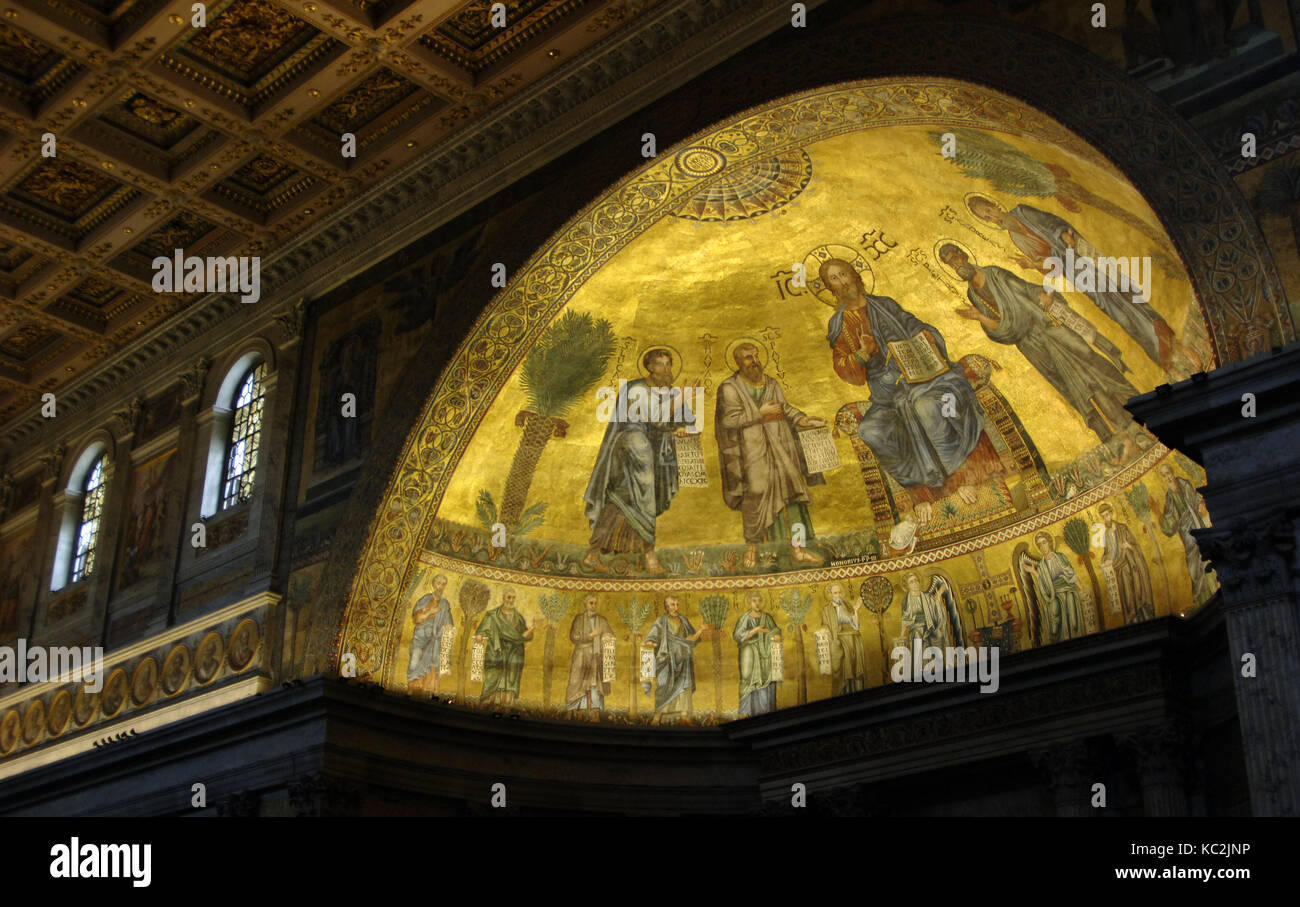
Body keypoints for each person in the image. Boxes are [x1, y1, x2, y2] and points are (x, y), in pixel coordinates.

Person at [821, 258, 1003, 524]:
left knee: (926, 408)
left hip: (924, 379)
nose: (842, 282)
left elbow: (917, 327)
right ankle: (921, 493)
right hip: (887, 396)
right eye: (834, 279)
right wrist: (863, 353)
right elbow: (845, 369)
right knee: (870, 430)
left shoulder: (885, 306)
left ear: (856, 276)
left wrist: (925, 338)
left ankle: (960, 479)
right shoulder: (839, 325)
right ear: (830, 288)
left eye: (844, 274)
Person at [942, 244, 1142, 458]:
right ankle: (1111, 436)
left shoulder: (994, 273)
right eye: (951, 264)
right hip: (1029, 344)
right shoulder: (973, 295)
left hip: (1045, 326)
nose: (957, 265)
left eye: (956, 258)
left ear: (964, 254)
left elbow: (1023, 287)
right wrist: (979, 317)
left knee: (1087, 360)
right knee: (1069, 384)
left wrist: (1041, 294)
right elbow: (998, 327)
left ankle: (1132, 410)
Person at [966, 195, 1194, 373]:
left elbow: (1054, 223)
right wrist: (1034, 265)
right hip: (1075, 272)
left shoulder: (1022, 211)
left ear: (995, 205)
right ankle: (1160, 353)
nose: (992, 218)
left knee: (1125, 293)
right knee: (1116, 311)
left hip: (1082, 256)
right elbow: (1051, 266)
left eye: (988, 211)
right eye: (986, 219)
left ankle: (1172, 341)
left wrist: (1064, 235)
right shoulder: (1016, 239)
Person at [584, 348, 697, 574]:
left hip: (656, 454)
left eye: (668, 364)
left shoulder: (672, 393)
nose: (666, 369)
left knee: (639, 499)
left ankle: (595, 554)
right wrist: (681, 399)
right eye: (660, 364)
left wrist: (684, 429)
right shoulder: (635, 389)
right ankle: (647, 554)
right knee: (632, 498)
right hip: (631, 450)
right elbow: (652, 417)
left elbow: (689, 421)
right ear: (649, 367)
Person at [716, 342, 826, 567]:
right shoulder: (729, 387)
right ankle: (752, 550)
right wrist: (759, 412)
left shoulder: (771, 382)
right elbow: (728, 420)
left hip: (781, 445)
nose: (754, 361)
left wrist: (803, 419)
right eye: (748, 357)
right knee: (755, 496)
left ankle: (798, 549)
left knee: (793, 498)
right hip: (751, 450)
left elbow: (785, 408)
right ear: (738, 362)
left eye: (756, 356)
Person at [642, 596, 706, 723]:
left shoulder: (684, 621)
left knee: (684, 687)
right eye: (672, 605)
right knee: (664, 685)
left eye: (677, 604)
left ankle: (684, 717)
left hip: (684, 660)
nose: (675, 608)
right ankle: (658, 716)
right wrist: (649, 642)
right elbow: (652, 637)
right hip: (666, 660)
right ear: (666, 607)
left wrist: (701, 630)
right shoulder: (661, 621)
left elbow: (691, 639)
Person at [1157, 463, 1213, 605]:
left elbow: (1195, 499)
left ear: (1172, 472)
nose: (1167, 477)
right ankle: (1201, 592)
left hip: (1195, 522)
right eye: (1164, 476)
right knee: (1192, 556)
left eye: (1168, 473)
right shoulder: (1169, 496)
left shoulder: (1184, 483)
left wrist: (1201, 504)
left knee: (1203, 550)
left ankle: (1211, 585)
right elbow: (1170, 522)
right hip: (1185, 531)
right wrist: (1158, 515)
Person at [474, 589, 541, 705]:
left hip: (514, 654)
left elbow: (522, 636)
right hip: (497, 652)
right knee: (494, 676)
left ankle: (507, 704)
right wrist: (480, 635)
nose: (511, 600)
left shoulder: (518, 618)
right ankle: (491, 703)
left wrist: (533, 628)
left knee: (511, 679)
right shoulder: (492, 615)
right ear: (503, 598)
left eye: (513, 598)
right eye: (508, 597)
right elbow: (481, 631)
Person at [1098, 503, 1155, 623]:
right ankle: (1132, 620)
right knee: (1128, 597)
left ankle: (1144, 618)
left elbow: (1135, 545)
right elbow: (1107, 552)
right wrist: (1106, 560)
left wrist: (1128, 546)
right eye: (1103, 517)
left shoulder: (1122, 528)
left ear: (1111, 514)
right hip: (1120, 569)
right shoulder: (1106, 534)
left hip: (1131, 565)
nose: (1106, 518)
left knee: (1138, 592)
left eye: (1107, 515)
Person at [733, 591, 781, 716]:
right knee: (747, 678)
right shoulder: (745, 618)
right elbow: (738, 636)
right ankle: (745, 712)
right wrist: (755, 631)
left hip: (765, 654)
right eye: (754, 601)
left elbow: (776, 632)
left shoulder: (767, 617)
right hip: (749, 652)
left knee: (765, 680)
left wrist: (773, 635)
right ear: (749, 602)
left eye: (759, 601)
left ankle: (764, 712)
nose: (757, 603)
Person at [565, 594, 614, 714]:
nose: (593, 606)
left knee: (595, 684)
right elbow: (574, 637)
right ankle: (577, 709)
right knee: (577, 682)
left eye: (595, 603)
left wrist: (607, 637)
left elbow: (609, 634)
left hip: (597, 657)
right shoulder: (579, 619)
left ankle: (595, 709)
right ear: (585, 604)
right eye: (591, 603)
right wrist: (591, 635)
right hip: (582, 656)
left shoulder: (602, 620)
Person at [1033, 532, 1085, 643]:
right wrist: (1034, 571)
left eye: (1044, 542)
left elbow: (1071, 573)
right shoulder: (1041, 565)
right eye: (1039, 545)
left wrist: (1081, 588)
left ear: (1049, 543)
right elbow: (1043, 583)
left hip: (1068, 589)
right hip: (1054, 594)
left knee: (1073, 617)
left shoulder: (1060, 557)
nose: (1042, 546)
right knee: (1055, 620)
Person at [407, 574, 454, 693]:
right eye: (438, 583)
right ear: (433, 584)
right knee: (415, 658)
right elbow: (416, 619)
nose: (440, 587)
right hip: (421, 636)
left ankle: (427, 689)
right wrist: (430, 612)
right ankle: (411, 687)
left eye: (443, 584)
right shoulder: (425, 599)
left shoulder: (445, 604)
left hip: (435, 639)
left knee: (434, 661)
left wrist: (447, 628)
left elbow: (449, 623)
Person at [819, 583, 868, 694]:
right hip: (839, 641)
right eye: (835, 593)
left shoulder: (847, 605)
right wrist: (824, 629)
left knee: (856, 667)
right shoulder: (826, 609)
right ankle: (845, 692)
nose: (838, 595)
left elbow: (856, 625)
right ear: (830, 594)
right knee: (843, 668)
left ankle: (858, 691)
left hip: (854, 640)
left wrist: (856, 610)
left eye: (840, 592)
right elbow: (825, 624)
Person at [900, 572, 960, 649]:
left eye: (916, 580)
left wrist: (938, 597)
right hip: (917, 629)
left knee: (939, 635)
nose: (915, 583)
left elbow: (935, 608)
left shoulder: (927, 596)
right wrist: (902, 635)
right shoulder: (906, 601)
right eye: (911, 582)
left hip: (930, 625)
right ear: (907, 586)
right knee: (917, 636)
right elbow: (905, 620)